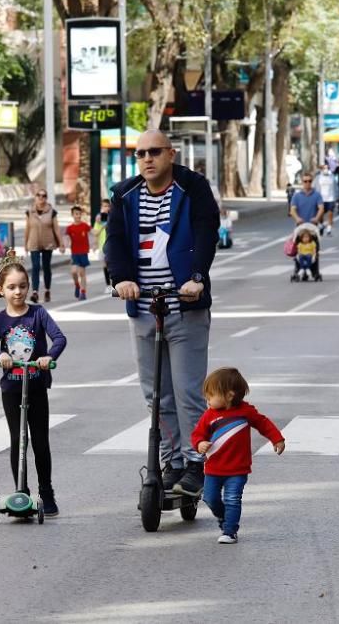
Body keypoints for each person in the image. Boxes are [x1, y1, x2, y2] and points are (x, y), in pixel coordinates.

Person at [106, 129, 219, 497]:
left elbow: (206, 233)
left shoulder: (192, 188)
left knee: (187, 392)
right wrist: (121, 278)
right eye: (140, 154)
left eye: (154, 152)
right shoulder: (125, 194)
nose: (147, 159)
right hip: (143, 308)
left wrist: (196, 278)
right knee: (156, 395)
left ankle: (195, 463)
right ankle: (171, 463)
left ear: (171, 154)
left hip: (184, 305)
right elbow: (114, 242)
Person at [0, 252, 67, 516]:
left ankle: (47, 492)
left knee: (40, 441)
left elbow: (59, 338)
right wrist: (0, 356)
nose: (18, 292)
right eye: (11, 287)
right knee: (18, 440)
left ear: (28, 287)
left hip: (36, 386)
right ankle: (21, 491)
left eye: (22, 286)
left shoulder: (38, 314)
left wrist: (48, 357)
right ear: (1, 290)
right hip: (11, 389)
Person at [191, 367, 285, 544]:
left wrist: (277, 439)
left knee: (232, 499)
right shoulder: (209, 416)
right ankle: (224, 518)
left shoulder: (245, 412)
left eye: (210, 395)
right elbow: (197, 434)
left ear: (229, 395)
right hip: (213, 469)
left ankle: (230, 531)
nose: (207, 400)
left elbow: (263, 423)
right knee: (210, 498)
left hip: (237, 469)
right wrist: (200, 444)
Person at [25, 187, 64, 304]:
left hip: (48, 242)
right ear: (35, 197)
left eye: (44, 196)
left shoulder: (52, 212)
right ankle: (35, 292)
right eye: (39, 195)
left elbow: (56, 229)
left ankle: (47, 290)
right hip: (34, 242)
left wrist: (61, 243)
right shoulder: (29, 212)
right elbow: (27, 229)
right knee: (35, 266)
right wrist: (25, 244)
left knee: (46, 267)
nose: (41, 198)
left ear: (46, 198)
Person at [64, 205, 92, 301]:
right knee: (74, 271)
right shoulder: (70, 228)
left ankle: (83, 292)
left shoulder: (85, 225)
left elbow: (94, 232)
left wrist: (101, 225)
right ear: (72, 215)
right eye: (76, 214)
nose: (78, 216)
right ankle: (77, 285)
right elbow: (66, 238)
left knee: (82, 273)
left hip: (83, 252)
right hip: (74, 253)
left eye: (79, 214)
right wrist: (64, 245)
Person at [92, 199, 112, 287]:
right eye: (104, 206)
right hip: (102, 246)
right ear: (101, 207)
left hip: (112, 245)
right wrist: (102, 226)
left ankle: (114, 283)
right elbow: (95, 233)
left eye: (108, 206)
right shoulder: (99, 219)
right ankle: (108, 285)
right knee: (105, 265)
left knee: (112, 265)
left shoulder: (113, 216)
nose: (106, 208)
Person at [315, 164, 338, 236]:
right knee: (321, 215)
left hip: (331, 198)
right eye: (324, 168)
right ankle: (321, 226)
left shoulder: (332, 177)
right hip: (321, 199)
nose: (326, 169)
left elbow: (336, 187)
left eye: (327, 168)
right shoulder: (318, 178)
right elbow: (314, 187)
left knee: (330, 214)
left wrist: (337, 197)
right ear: (322, 169)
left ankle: (329, 230)